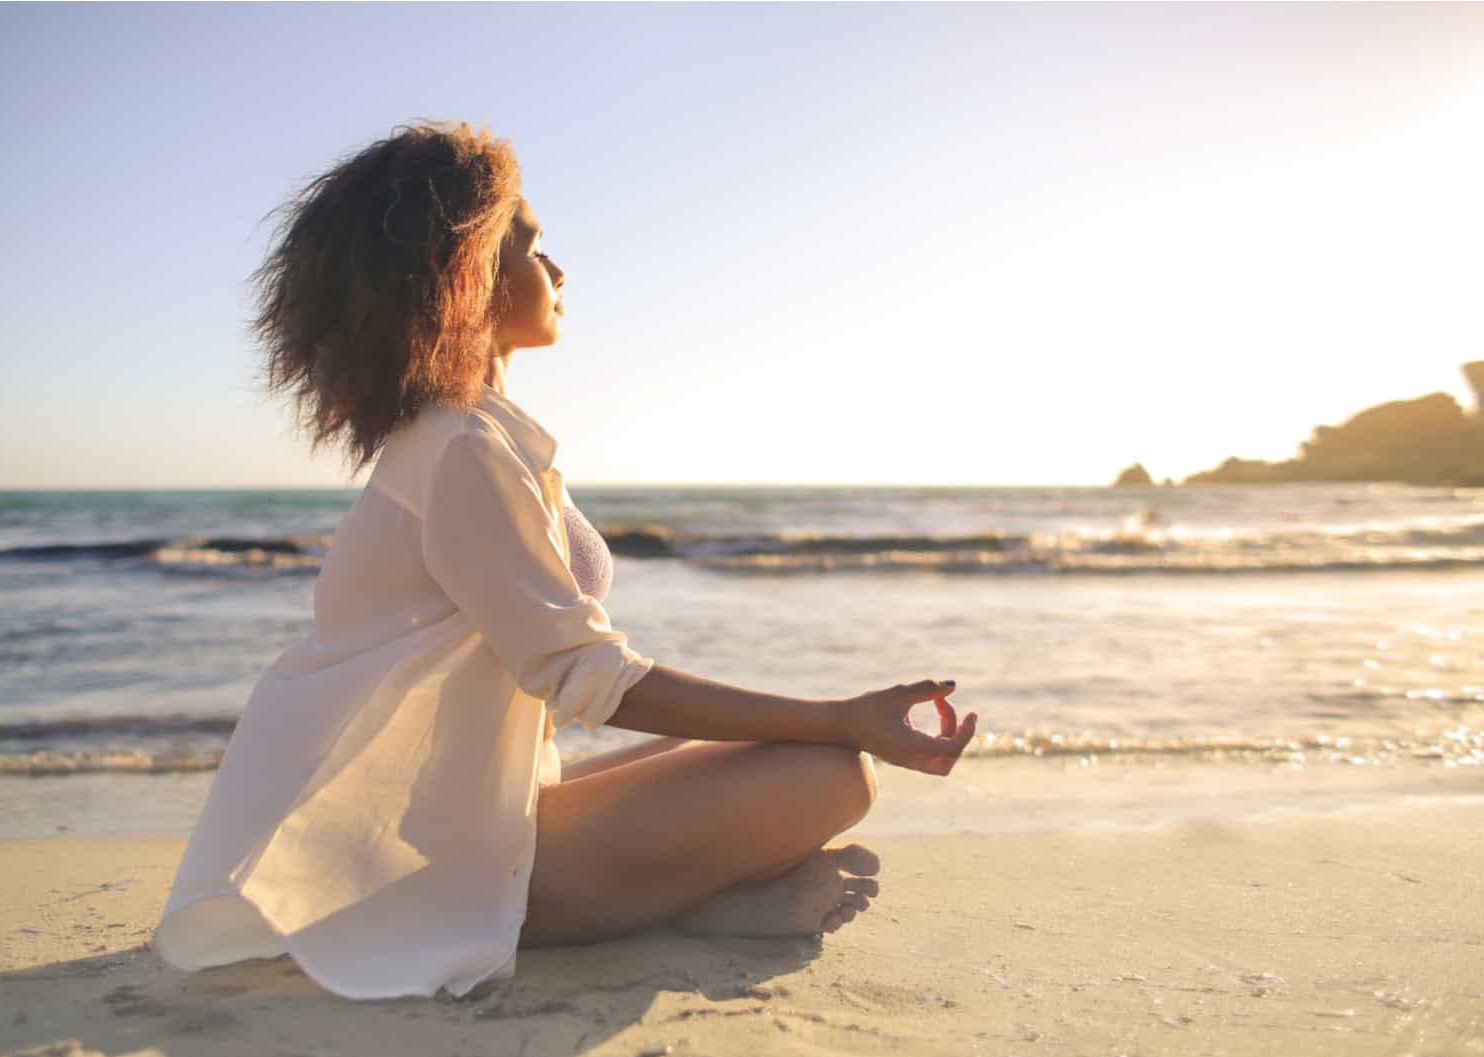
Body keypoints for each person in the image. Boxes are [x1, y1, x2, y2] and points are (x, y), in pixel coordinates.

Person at [153, 120, 978, 1001]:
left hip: (484, 812)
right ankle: (688, 900)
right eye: (534, 248)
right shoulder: (460, 450)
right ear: (463, 272)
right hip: (436, 863)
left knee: (777, 744)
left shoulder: (476, 437)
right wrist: (842, 719)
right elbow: (588, 677)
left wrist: (823, 717)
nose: (558, 272)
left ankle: (698, 891)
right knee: (824, 769)